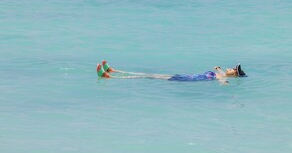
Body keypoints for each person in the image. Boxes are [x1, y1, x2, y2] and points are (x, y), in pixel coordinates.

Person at [96, 60, 247, 84]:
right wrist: (218, 69)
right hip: (187, 76)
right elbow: (219, 71)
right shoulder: (221, 73)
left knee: (151, 76)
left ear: (233, 74)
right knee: (154, 75)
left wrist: (225, 81)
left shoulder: (221, 78)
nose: (230, 68)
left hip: (187, 80)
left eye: (233, 69)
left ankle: (109, 77)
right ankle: (113, 70)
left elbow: (222, 81)